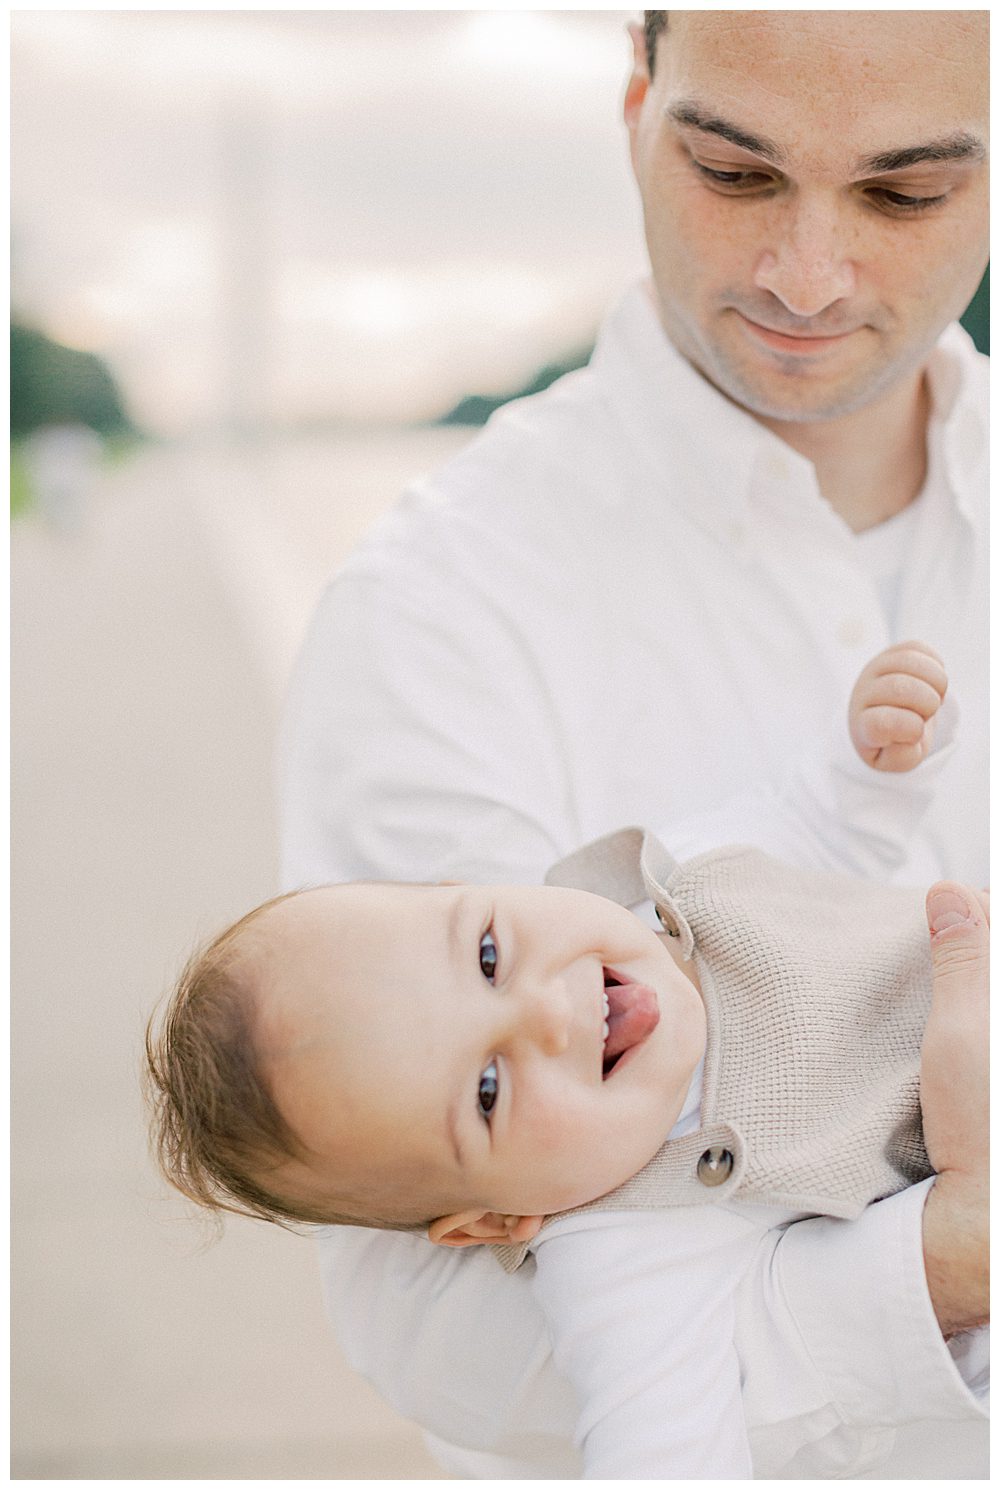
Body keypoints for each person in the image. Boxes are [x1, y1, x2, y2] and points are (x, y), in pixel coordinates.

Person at [279, 10, 989, 1478]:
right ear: (634, 112)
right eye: (734, 173)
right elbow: (431, 1308)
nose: (806, 272)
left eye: (904, 192)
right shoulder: (435, 609)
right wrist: (941, 1276)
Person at [149, 644, 988, 1477]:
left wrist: (874, 760)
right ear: (495, 1221)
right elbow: (661, 1451)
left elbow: (816, 825)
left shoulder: (666, 884)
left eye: (485, 955)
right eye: (486, 1089)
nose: (549, 1012)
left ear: (475, 889)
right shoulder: (627, 1257)